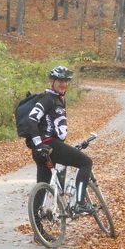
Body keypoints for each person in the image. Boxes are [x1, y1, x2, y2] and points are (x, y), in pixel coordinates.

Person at [19, 65, 96, 215]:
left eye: (66, 81)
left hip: (43, 149)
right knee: (86, 162)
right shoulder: (48, 99)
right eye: (60, 80)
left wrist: (39, 146)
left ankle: (38, 229)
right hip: (48, 146)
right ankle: (80, 203)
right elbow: (31, 120)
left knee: (42, 186)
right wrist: (39, 143)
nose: (64, 84)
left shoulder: (59, 99)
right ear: (52, 81)